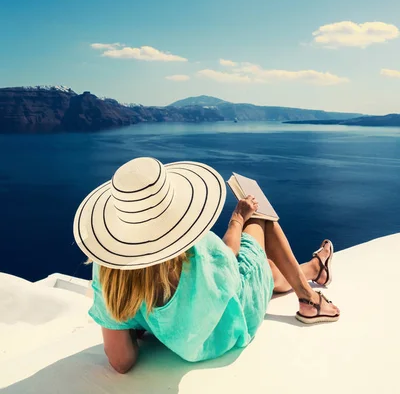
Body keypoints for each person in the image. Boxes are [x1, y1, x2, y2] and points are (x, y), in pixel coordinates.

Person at [73, 157, 339, 374]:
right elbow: (228, 257)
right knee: (261, 219)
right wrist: (238, 217)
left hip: (182, 337)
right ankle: (310, 299)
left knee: (267, 271)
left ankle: (316, 269)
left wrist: (142, 324)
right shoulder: (196, 250)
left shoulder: (109, 273)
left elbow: (121, 362)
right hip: (229, 325)